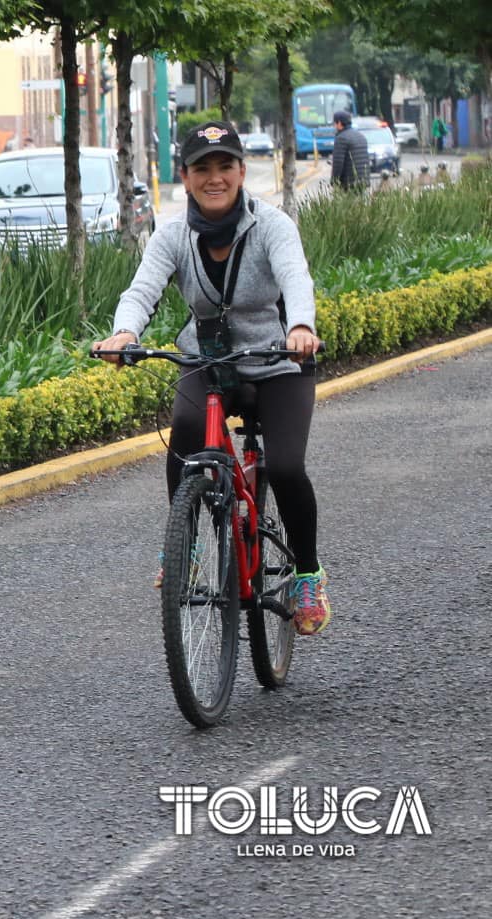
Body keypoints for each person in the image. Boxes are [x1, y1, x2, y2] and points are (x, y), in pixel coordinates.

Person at [92, 121, 332, 635]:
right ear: (185, 176)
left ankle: (307, 573)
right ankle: (186, 543)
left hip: (277, 360)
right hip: (209, 363)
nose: (215, 177)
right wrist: (123, 333)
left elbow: (295, 278)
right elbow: (141, 291)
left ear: (243, 172)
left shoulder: (272, 226)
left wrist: (302, 328)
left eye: (226, 166)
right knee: (184, 428)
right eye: (203, 167)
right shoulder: (172, 235)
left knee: (287, 467)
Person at [328, 110, 369, 191]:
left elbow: (338, 163)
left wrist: (334, 181)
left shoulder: (341, 138)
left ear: (339, 123)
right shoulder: (361, 136)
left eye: (334, 123)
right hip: (363, 181)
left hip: (349, 183)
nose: (334, 126)